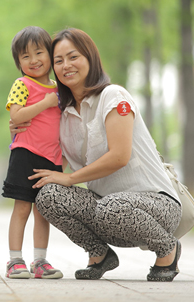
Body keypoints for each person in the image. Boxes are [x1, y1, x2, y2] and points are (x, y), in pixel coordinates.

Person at [29, 28, 182, 282]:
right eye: (58, 61)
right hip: (107, 208)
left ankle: (167, 250)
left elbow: (120, 156)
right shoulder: (64, 113)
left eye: (73, 56)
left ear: (90, 57)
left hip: (157, 205)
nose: (66, 65)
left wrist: (70, 178)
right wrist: (19, 124)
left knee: (111, 206)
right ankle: (99, 255)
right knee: (48, 196)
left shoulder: (113, 96)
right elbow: (52, 155)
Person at [2, 26, 63, 280]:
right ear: (18, 62)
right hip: (25, 154)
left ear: (50, 55)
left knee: (43, 210)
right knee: (22, 208)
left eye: (39, 53)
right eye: (25, 56)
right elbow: (16, 115)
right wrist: (45, 103)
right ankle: (15, 260)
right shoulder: (22, 84)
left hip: (51, 159)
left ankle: (40, 261)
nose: (34, 60)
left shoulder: (61, 87)